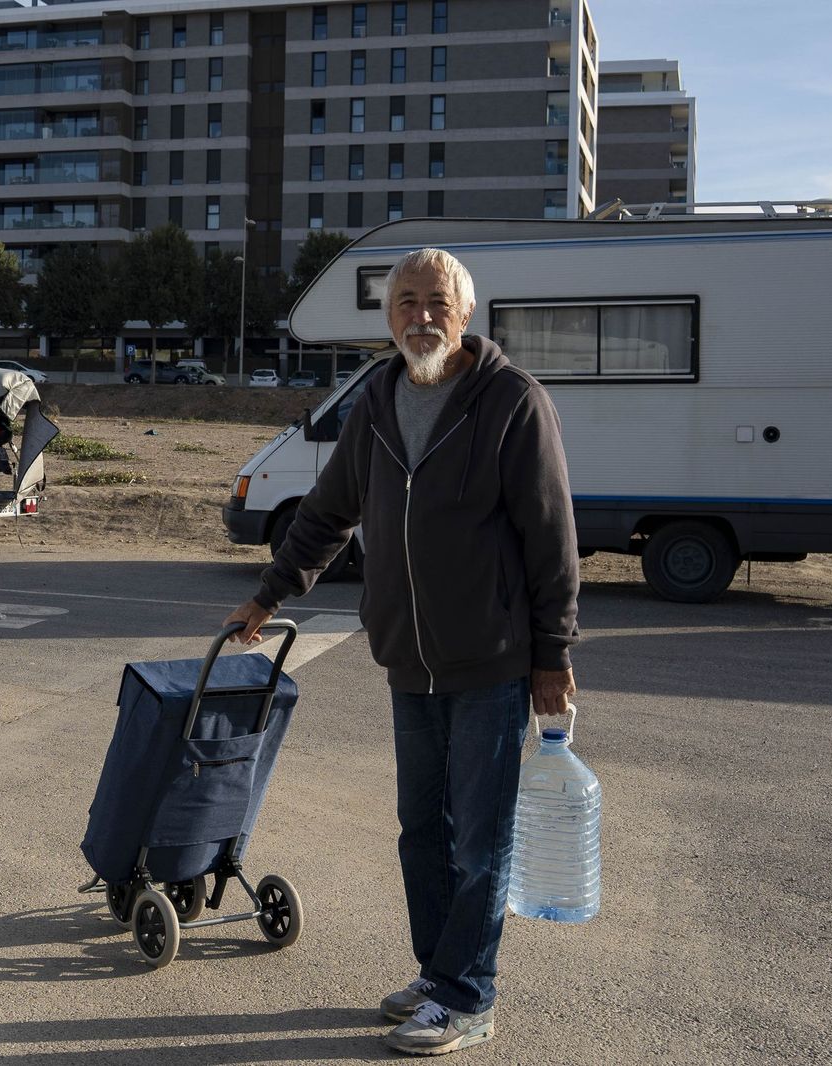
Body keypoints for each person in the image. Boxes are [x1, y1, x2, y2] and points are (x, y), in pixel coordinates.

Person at [225, 247, 578, 1056]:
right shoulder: (379, 400)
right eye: (406, 301)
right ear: (388, 318)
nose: (421, 314)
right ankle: (438, 975)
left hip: (490, 661)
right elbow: (325, 513)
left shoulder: (512, 401)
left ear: (465, 314)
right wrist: (270, 593)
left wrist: (553, 654)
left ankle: (469, 997)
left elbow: (551, 538)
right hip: (407, 663)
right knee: (421, 828)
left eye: (436, 301)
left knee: (479, 839)